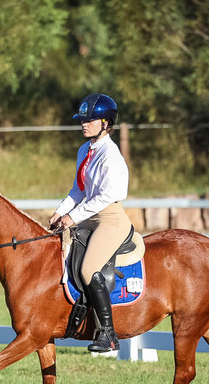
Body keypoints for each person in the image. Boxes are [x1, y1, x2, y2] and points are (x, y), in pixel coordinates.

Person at [49, 93, 132, 353]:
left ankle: (107, 333)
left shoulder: (111, 155)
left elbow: (107, 195)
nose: (84, 124)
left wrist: (72, 217)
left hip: (110, 218)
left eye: (90, 120)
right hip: (88, 216)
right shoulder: (84, 150)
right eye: (82, 120)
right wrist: (60, 212)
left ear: (106, 123)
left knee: (88, 269)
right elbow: (78, 189)